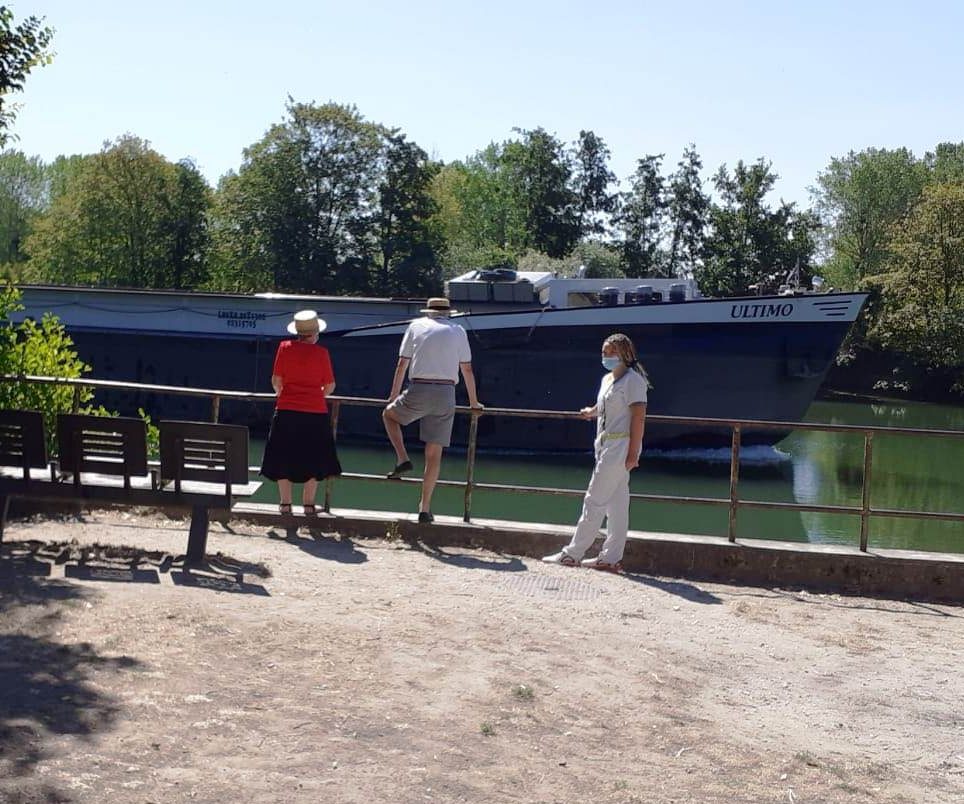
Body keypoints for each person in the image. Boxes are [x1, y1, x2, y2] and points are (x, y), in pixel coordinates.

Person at [542, 333, 649, 572]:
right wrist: (591, 412)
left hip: (619, 446)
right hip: (605, 444)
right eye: (604, 351)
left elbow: (638, 418)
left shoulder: (633, 381)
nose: (606, 356)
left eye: (610, 352)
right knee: (617, 504)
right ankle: (610, 558)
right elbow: (607, 406)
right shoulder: (607, 380)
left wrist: (633, 453)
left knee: (594, 499)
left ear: (625, 354)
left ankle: (573, 553)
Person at [383, 297, 483, 524]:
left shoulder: (415, 326)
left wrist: (393, 395)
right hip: (446, 393)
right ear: (448, 313)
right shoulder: (458, 330)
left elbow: (402, 363)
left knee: (389, 415)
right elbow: (466, 369)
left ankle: (402, 457)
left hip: (419, 387)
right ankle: (425, 508)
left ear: (428, 311)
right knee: (434, 453)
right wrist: (474, 403)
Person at [260, 309, 342, 515]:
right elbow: (330, 386)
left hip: (287, 409)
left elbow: (276, 381)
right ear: (314, 334)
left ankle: (285, 503)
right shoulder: (322, 353)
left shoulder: (284, 348)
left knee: (282, 455)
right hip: (315, 412)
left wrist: (284, 395)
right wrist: (317, 395)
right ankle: (308, 504)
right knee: (313, 456)